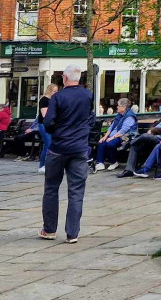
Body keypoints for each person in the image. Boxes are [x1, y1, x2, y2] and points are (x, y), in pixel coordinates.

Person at [40, 64, 94, 244]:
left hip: (58, 148)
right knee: (76, 190)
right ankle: (72, 233)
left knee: (51, 188)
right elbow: (90, 117)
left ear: (64, 77)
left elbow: (48, 123)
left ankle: (49, 230)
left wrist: (59, 129)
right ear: (79, 78)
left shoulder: (58, 97)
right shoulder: (87, 95)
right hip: (79, 148)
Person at [117, 101, 161, 178]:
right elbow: (155, 123)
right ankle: (129, 170)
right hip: (150, 138)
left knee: (143, 136)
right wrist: (151, 130)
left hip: (160, 139)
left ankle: (128, 143)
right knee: (135, 145)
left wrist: (152, 131)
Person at [94, 98, 137, 171]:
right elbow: (111, 127)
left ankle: (113, 162)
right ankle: (100, 163)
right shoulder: (119, 115)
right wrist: (105, 137)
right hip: (114, 136)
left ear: (124, 107)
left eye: (118, 106)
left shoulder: (130, 116)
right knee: (101, 142)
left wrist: (112, 138)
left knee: (110, 143)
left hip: (124, 137)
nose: (117, 107)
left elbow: (123, 131)